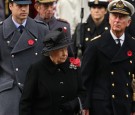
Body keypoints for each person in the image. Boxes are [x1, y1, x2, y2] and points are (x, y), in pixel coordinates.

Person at [81, 0, 135, 115]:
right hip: (101, 104)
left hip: (124, 103)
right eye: (114, 16)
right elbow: (86, 77)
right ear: (109, 19)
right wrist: (85, 104)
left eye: (121, 17)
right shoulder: (95, 44)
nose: (117, 20)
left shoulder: (132, 45)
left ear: (129, 22)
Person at [19, 28, 85, 115]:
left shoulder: (73, 67)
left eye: (65, 49)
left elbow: (83, 92)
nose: (65, 54)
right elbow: (26, 102)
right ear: (50, 51)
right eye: (60, 50)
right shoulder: (36, 69)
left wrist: (75, 103)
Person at [0, 0, 49, 115]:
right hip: (9, 91)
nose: (24, 9)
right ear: (10, 6)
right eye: (20, 6)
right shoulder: (1, 31)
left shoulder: (42, 29)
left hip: (36, 91)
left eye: (26, 6)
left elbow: (49, 62)